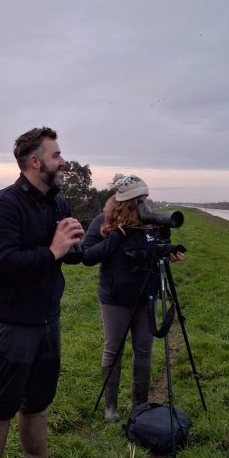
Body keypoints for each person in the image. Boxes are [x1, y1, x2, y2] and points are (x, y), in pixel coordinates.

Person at [0, 126, 85, 458]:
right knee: (3, 401)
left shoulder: (57, 203)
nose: (63, 161)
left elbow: (66, 256)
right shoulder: (7, 204)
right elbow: (2, 265)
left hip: (47, 317)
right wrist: (52, 250)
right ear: (35, 162)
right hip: (11, 319)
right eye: (56, 155)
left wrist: (75, 243)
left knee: (39, 396)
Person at [81, 175, 184, 423]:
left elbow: (158, 247)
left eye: (145, 200)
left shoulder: (150, 224)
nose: (144, 205)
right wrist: (116, 236)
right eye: (139, 200)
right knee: (113, 350)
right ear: (125, 202)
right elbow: (87, 256)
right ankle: (111, 408)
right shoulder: (102, 223)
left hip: (146, 296)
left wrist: (168, 251)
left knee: (144, 351)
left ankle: (139, 407)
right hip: (115, 298)